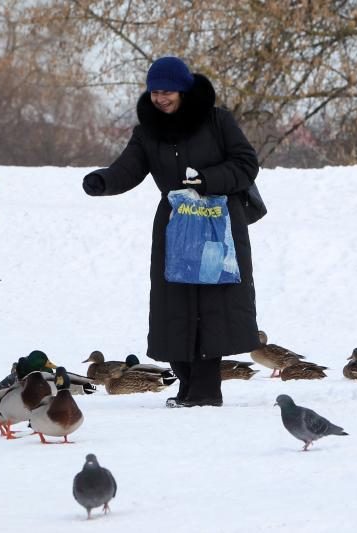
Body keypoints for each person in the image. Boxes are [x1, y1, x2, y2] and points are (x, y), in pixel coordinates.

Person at [82, 56, 259, 407]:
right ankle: (187, 384)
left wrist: (208, 179)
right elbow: (128, 168)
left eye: (167, 91)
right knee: (174, 305)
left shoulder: (217, 121)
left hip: (216, 223)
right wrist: (103, 181)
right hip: (176, 225)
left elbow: (246, 163)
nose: (160, 98)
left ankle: (206, 391)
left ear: (183, 90)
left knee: (212, 304)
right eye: (154, 92)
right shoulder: (147, 132)